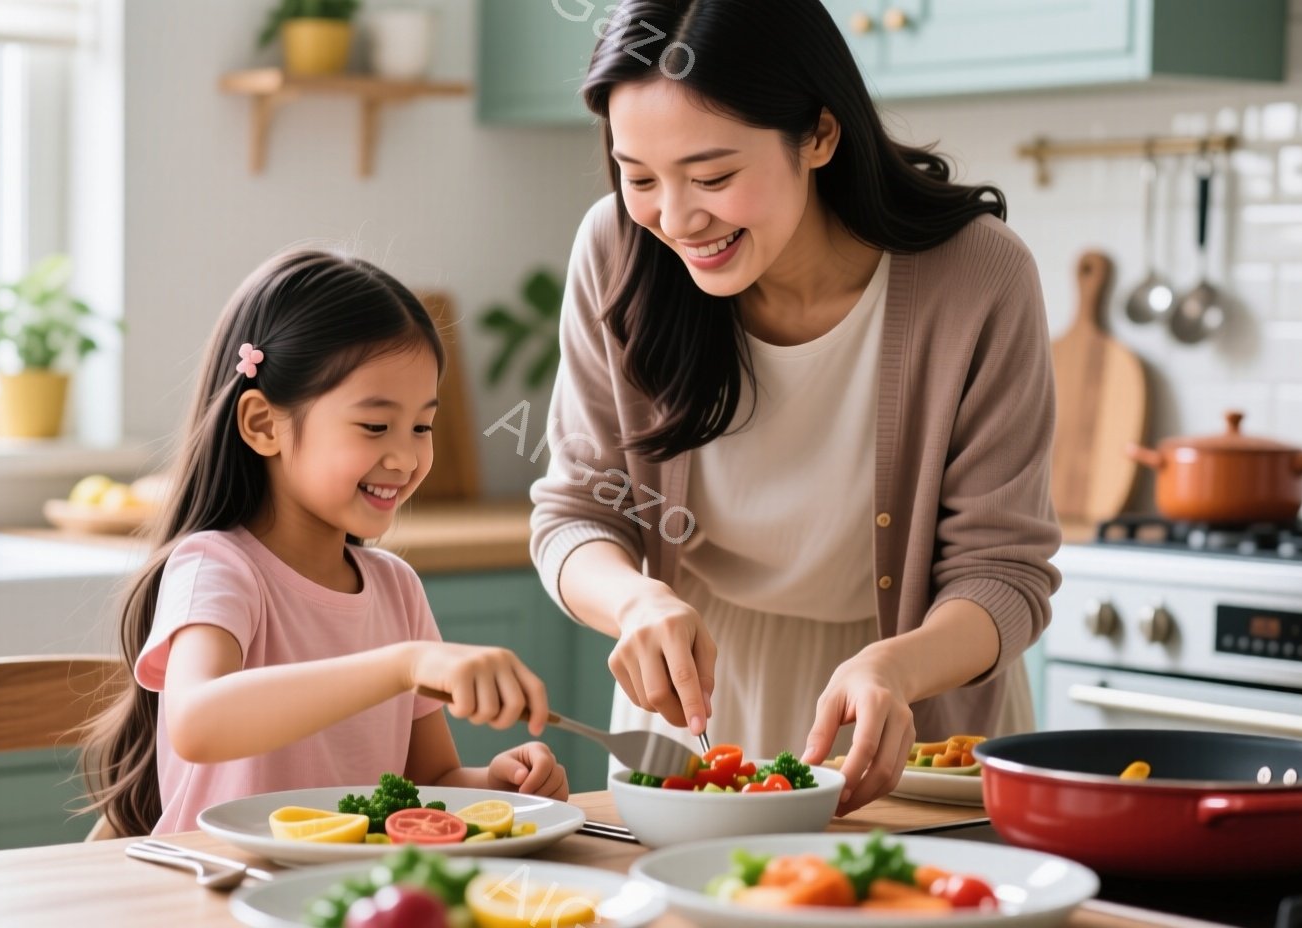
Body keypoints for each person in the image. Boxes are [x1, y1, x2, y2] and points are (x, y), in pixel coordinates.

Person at [529, 0, 1061, 816]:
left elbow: (1002, 573)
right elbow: (573, 512)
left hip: (910, 715)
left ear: (818, 134)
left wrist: (899, 668)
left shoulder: (979, 276)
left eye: (712, 177)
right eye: (639, 176)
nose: (676, 218)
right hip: (698, 706)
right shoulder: (617, 249)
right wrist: (637, 601)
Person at [85, 249, 566, 837]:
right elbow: (197, 722)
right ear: (263, 424)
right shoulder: (217, 568)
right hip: (220, 894)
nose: (407, 456)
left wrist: (495, 786)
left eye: (422, 426)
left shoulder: (395, 587)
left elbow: (429, 778)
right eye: (374, 426)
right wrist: (402, 665)